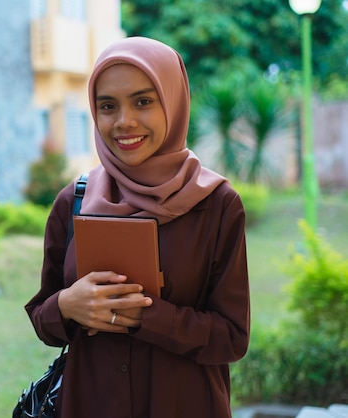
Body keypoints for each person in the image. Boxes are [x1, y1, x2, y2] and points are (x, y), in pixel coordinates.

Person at [25, 36, 250, 417]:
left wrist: (142, 315)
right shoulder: (74, 201)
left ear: (173, 102)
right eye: (107, 106)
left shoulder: (216, 204)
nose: (124, 121)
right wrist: (67, 305)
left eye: (143, 101)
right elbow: (43, 317)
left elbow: (231, 338)